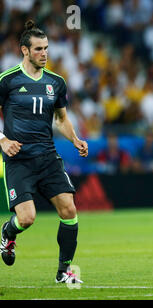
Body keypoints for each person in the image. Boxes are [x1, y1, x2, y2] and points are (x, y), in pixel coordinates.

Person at [0, 21, 88, 284]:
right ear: (24, 51)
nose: (44, 53)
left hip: (48, 158)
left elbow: (61, 118)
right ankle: (8, 233)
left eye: (46, 48)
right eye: (38, 49)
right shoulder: (8, 80)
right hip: (19, 160)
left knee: (69, 211)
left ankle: (64, 272)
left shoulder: (56, 83)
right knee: (27, 218)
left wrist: (74, 138)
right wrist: (3, 140)